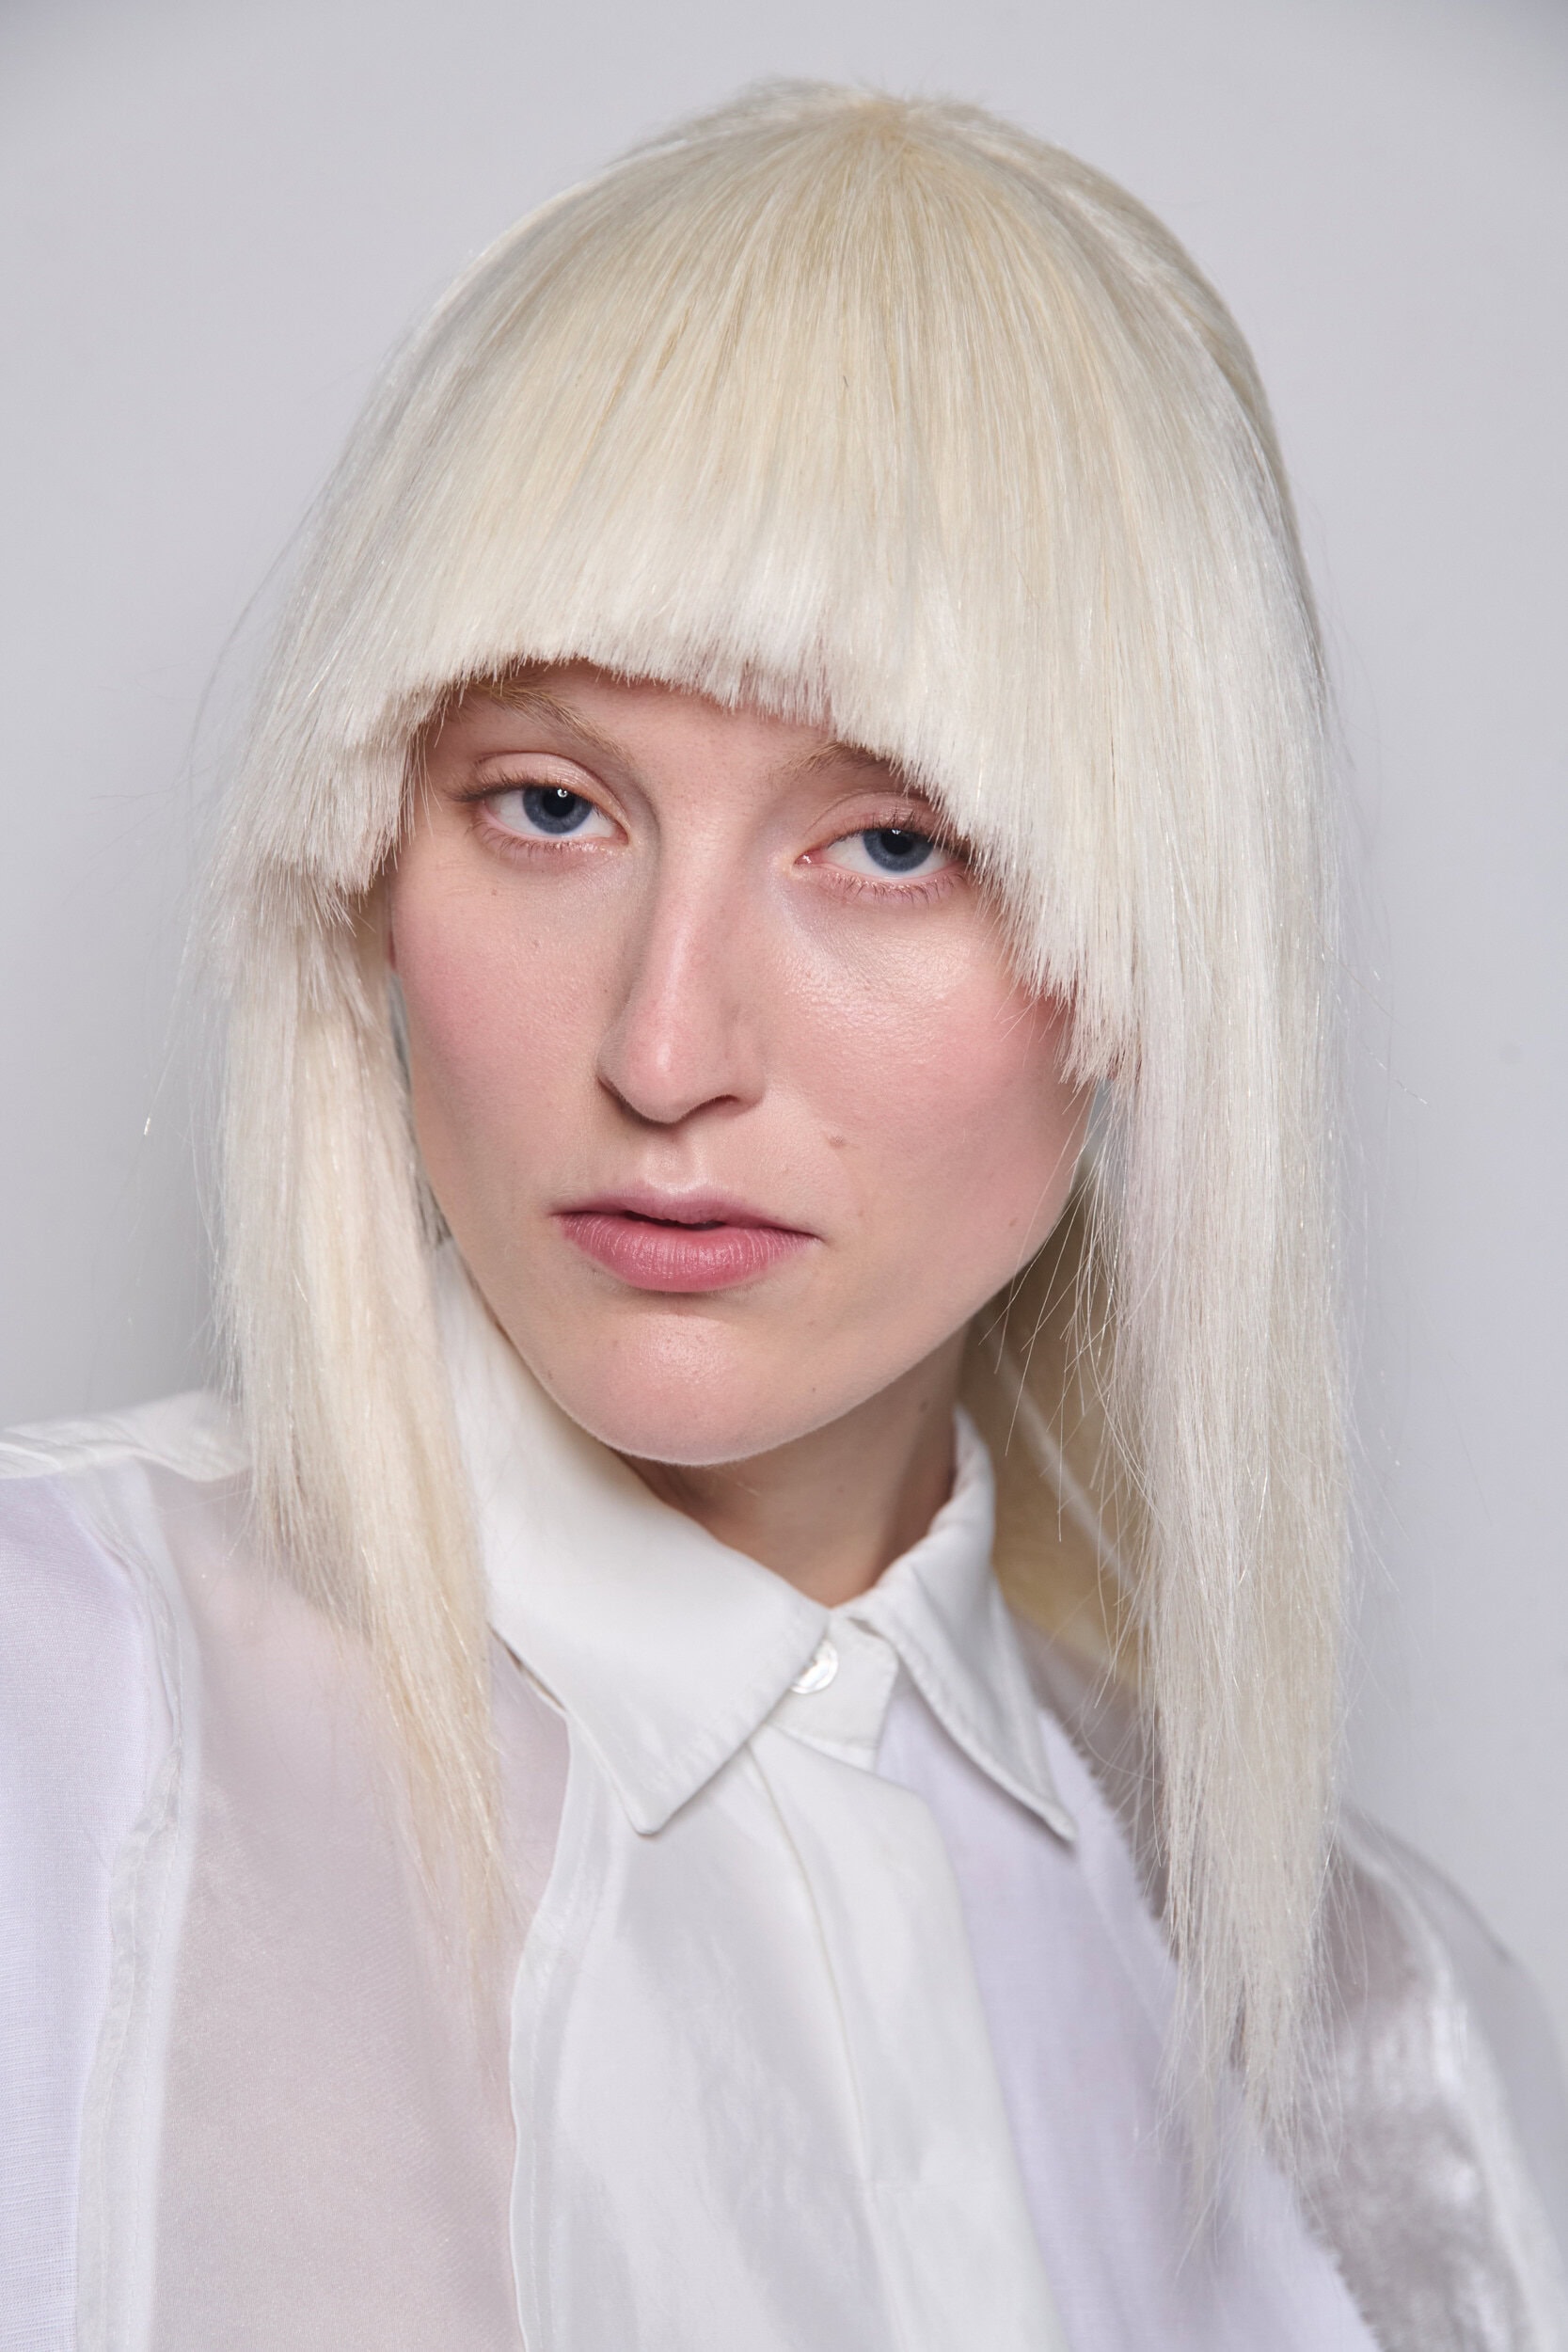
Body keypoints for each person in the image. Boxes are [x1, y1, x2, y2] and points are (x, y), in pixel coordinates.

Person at [2, 81, 1564, 2352]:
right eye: (549, 805)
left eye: (892, 845)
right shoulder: (48, 1721)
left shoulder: (1401, 2073)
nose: (665, 1046)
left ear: (1158, 962)